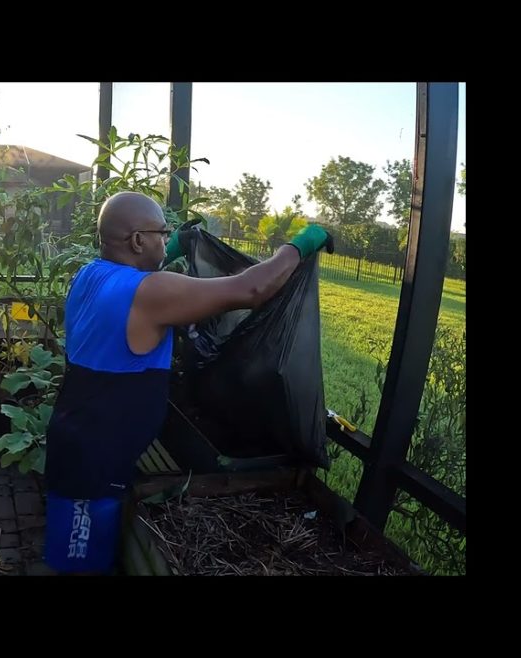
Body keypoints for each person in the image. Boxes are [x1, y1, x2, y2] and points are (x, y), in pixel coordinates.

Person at [43, 191, 331, 574]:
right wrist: (299, 245)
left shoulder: (90, 275)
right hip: (92, 456)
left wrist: (172, 247)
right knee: (80, 563)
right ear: (137, 240)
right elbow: (252, 289)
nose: (166, 239)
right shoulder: (148, 293)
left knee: (93, 546)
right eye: (161, 233)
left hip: (82, 435)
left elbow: (132, 286)